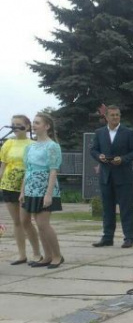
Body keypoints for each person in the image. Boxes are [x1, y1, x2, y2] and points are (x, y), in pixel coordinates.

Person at [90, 105, 133, 248]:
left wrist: (123, 159)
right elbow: (93, 150)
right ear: (106, 117)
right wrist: (99, 156)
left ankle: (129, 237)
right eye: (112, 115)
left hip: (123, 176)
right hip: (106, 176)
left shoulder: (128, 132)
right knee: (107, 208)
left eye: (117, 115)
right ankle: (107, 237)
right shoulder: (99, 132)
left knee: (126, 208)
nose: (115, 117)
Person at [19, 113, 64, 268]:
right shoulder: (30, 146)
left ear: (47, 126)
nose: (34, 125)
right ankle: (47, 256)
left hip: (45, 188)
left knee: (43, 223)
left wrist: (48, 194)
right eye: (33, 122)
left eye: (37, 122)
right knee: (28, 221)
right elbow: (28, 170)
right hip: (31, 189)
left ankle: (57, 256)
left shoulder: (52, 146)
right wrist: (22, 191)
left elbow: (53, 171)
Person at [0, 115, 42, 265]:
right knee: (16, 221)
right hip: (9, 184)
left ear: (27, 126)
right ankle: (21, 254)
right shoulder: (8, 143)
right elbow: (3, 164)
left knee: (26, 221)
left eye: (19, 124)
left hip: (26, 184)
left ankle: (37, 253)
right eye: (13, 124)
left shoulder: (33, 144)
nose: (15, 127)